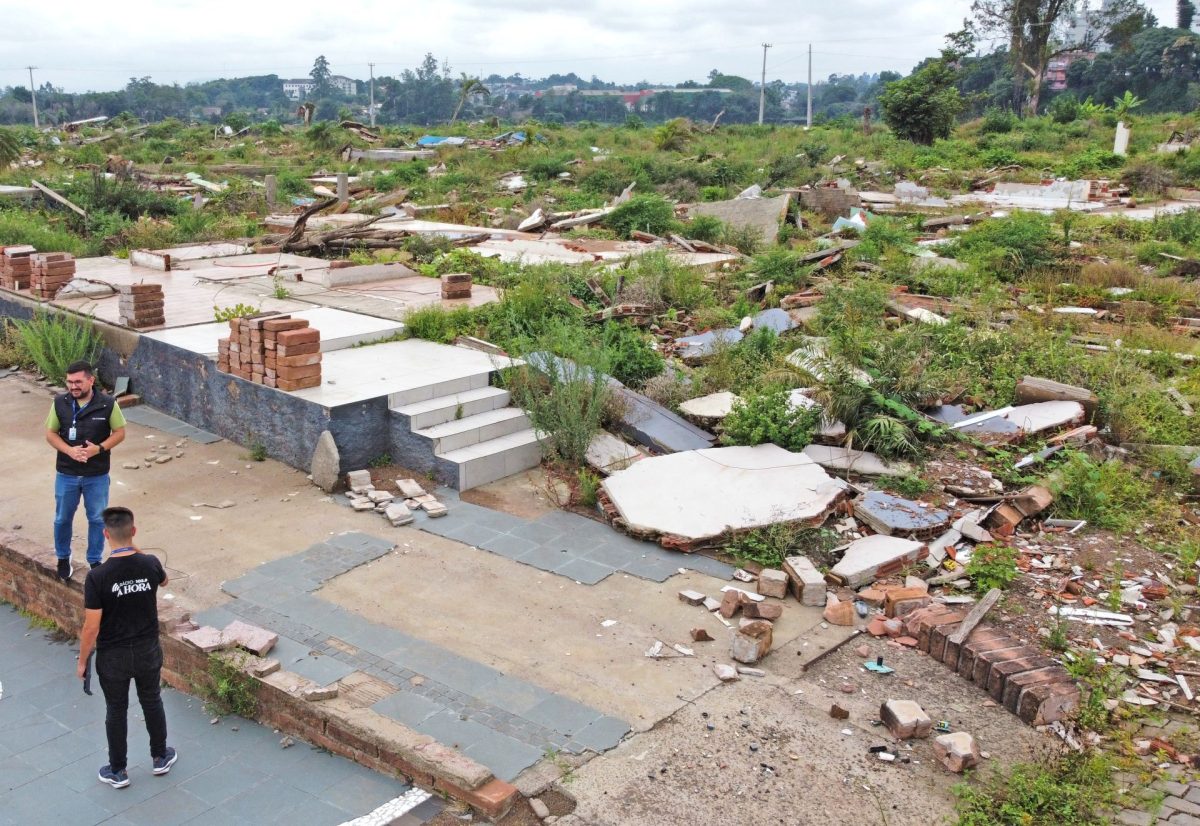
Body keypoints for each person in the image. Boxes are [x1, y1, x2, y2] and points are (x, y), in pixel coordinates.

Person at [76, 506, 177, 789]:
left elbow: (91, 627)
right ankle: (160, 756)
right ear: (133, 531)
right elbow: (165, 580)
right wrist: (135, 547)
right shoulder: (150, 563)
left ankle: (118, 770)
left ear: (105, 534)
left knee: (116, 710)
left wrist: (83, 661)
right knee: (152, 700)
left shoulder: (98, 577)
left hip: (113, 657)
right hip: (147, 649)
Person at [45, 360, 126, 580]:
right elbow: (51, 434)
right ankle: (63, 558)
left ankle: (94, 560)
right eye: (69, 382)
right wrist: (69, 451)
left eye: (78, 381)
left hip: (96, 475)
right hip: (66, 474)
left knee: (98, 519)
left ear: (91, 380)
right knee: (62, 518)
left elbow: (119, 432)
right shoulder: (60, 403)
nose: (73, 386)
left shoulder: (108, 404)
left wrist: (98, 449)